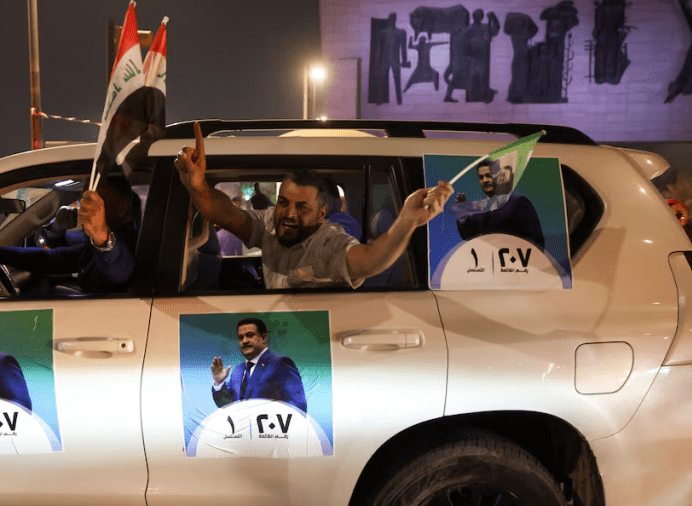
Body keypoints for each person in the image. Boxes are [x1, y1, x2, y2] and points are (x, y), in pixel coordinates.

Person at [175, 123, 453, 289]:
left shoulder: (328, 242)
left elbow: (368, 261)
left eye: (302, 207)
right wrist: (198, 187)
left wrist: (406, 222)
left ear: (322, 214)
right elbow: (226, 214)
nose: (289, 214)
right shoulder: (272, 225)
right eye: (283, 203)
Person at [0, 177, 138, 294]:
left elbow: (120, 271)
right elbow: (48, 259)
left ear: (121, 208)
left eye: (93, 203)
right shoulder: (91, 246)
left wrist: (102, 237)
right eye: (83, 201)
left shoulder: (133, 242)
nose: (84, 209)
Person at [211, 317, 306, 412]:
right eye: (241, 337)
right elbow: (228, 405)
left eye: (250, 335)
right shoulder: (238, 371)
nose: (244, 341)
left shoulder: (280, 364)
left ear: (263, 338)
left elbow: (298, 406)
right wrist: (219, 382)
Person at [454, 160, 545, 250]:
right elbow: (467, 235)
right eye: (481, 177)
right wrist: (462, 214)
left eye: (489, 175)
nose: (484, 180)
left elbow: (537, 242)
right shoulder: (482, 210)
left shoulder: (518, 202)